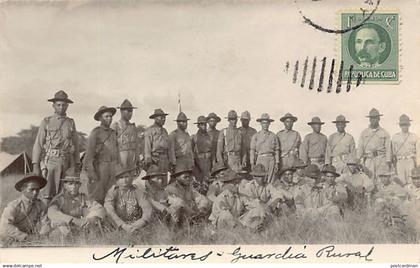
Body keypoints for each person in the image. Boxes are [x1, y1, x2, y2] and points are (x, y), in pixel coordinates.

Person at [32, 90, 80, 204]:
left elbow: (76, 145)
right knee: (48, 194)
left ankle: (62, 220)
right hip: (51, 162)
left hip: (68, 162)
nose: (61, 107)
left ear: (67, 106)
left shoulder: (71, 123)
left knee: (67, 193)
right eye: (58, 105)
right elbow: (38, 144)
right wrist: (36, 165)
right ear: (53, 106)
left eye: (64, 105)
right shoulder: (46, 121)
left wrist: (77, 164)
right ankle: (46, 219)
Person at [48, 168, 106, 237]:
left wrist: (91, 219)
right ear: (65, 186)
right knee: (57, 231)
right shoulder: (59, 199)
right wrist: (72, 220)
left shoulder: (83, 198)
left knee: (95, 231)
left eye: (76, 184)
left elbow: (99, 208)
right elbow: (52, 212)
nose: (74, 187)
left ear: (79, 185)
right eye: (70, 184)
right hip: (65, 227)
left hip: (82, 228)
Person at [0, 174, 50, 245]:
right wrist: (26, 237)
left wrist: (41, 236)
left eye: (37, 189)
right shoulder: (13, 206)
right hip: (9, 239)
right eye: (31, 189)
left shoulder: (40, 205)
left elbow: (45, 222)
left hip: (30, 240)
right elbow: (5, 226)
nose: (35, 192)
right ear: (23, 190)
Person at [84, 106, 120, 204]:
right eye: (106, 116)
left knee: (111, 195)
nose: (109, 118)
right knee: (98, 196)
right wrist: (91, 173)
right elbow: (89, 155)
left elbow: (117, 151)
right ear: (100, 118)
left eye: (110, 116)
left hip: (112, 167)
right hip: (100, 167)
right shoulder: (96, 133)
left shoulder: (113, 133)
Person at [104, 166, 153, 234]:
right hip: (118, 226)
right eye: (121, 177)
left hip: (136, 226)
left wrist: (137, 225)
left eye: (126, 177)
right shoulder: (112, 192)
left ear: (131, 178)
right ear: (116, 180)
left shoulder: (138, 191)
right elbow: (109, 210)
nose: (124, 180)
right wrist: (123, 225)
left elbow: (147, 210)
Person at [357, 108, 392, 186]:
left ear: (379, 119)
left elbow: (388, 149)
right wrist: (358, 160)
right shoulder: (364, 133)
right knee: (368, 181)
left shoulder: (385, 133)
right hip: (369, 160)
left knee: (380, 181)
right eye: (372, 118)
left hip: (381, 159)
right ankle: (369, 198)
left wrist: (388, 161)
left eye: (375, 118)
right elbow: (360, 148)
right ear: (369, 119)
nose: (373, 120)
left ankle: (380, 197)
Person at [250, 113, 280, 183]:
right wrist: (252, 163)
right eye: (263, 123)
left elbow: (277, 150)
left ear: (269, 124)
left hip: (271, 159)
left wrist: (277, 163)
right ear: (260, 124)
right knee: (261, 179)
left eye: (267, 123)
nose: (265, 125)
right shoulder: (256, 136)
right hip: (261, 159)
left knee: (270, 179)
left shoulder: (273, 136)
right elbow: (252, 150)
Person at [111, 99, 141, 172]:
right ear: (121, 111)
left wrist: (137, 160)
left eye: (131, 111)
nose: (130, 113)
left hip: (132, 160)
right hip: (120, 160)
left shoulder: (133, 127)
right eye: (128, 111)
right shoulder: (115, 126)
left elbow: (136, 146)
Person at [144, 109, 170, 185]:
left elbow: (167, 146)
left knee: (163, 182)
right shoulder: (149, 130)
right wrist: (149, 160)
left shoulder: (165, 131)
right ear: (155, 118)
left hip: (164, 159)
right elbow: (147, 147)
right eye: (161, 117)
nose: (163, 119)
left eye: (164, 117)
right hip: (155, 159)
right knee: (153, 182)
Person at [391, 114, 418, 187]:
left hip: (410, 161)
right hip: (400, 161)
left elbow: (417, 152)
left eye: (406, 124)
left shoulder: (414, 136)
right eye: (402, 125)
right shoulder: (395, 137)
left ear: (409, 125)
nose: (404, 127)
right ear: (400, 125)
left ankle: (412, 197)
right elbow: (393, 152)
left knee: (411, 181)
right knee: (401, 182)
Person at [191, 116, 213, 185]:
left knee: (208, 180)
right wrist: (195, 165)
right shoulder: (194, 137)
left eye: (205, 124)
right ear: (198, 126)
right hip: (199, 162)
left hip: (208, 161)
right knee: (199, 181)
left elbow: (212, 150)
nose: (203, 126)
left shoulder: (209, 136)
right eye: (201, 124)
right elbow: (191, 152)